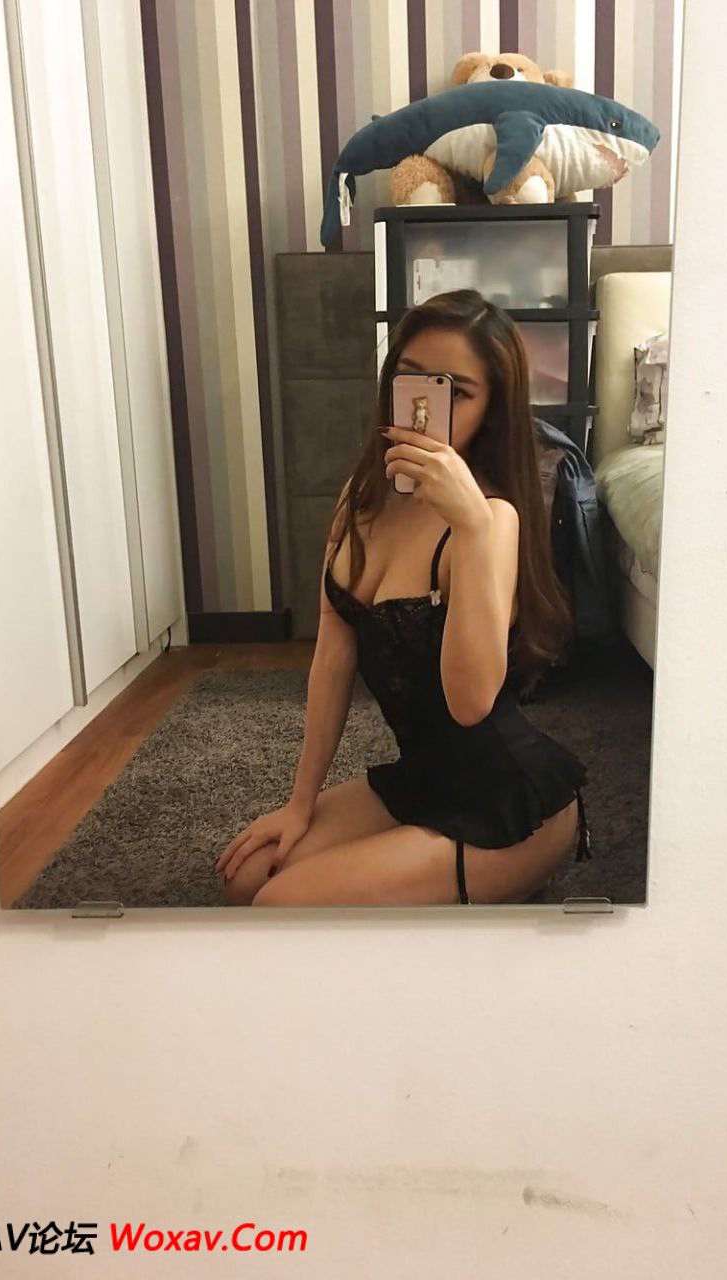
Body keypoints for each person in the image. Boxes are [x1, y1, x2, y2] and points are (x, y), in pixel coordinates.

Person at [214, 289, 590, 907]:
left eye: (454, 392)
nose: (422, 408)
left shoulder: (492, 521)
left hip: (508, 803)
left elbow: (471, 705)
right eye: (410, 378)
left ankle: (509, 884)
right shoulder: (360, 498)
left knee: (279, 907)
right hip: (423, 775)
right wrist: (299, 804)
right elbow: (333, 658)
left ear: (492, 411)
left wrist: (470, 530)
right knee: (247, 878)